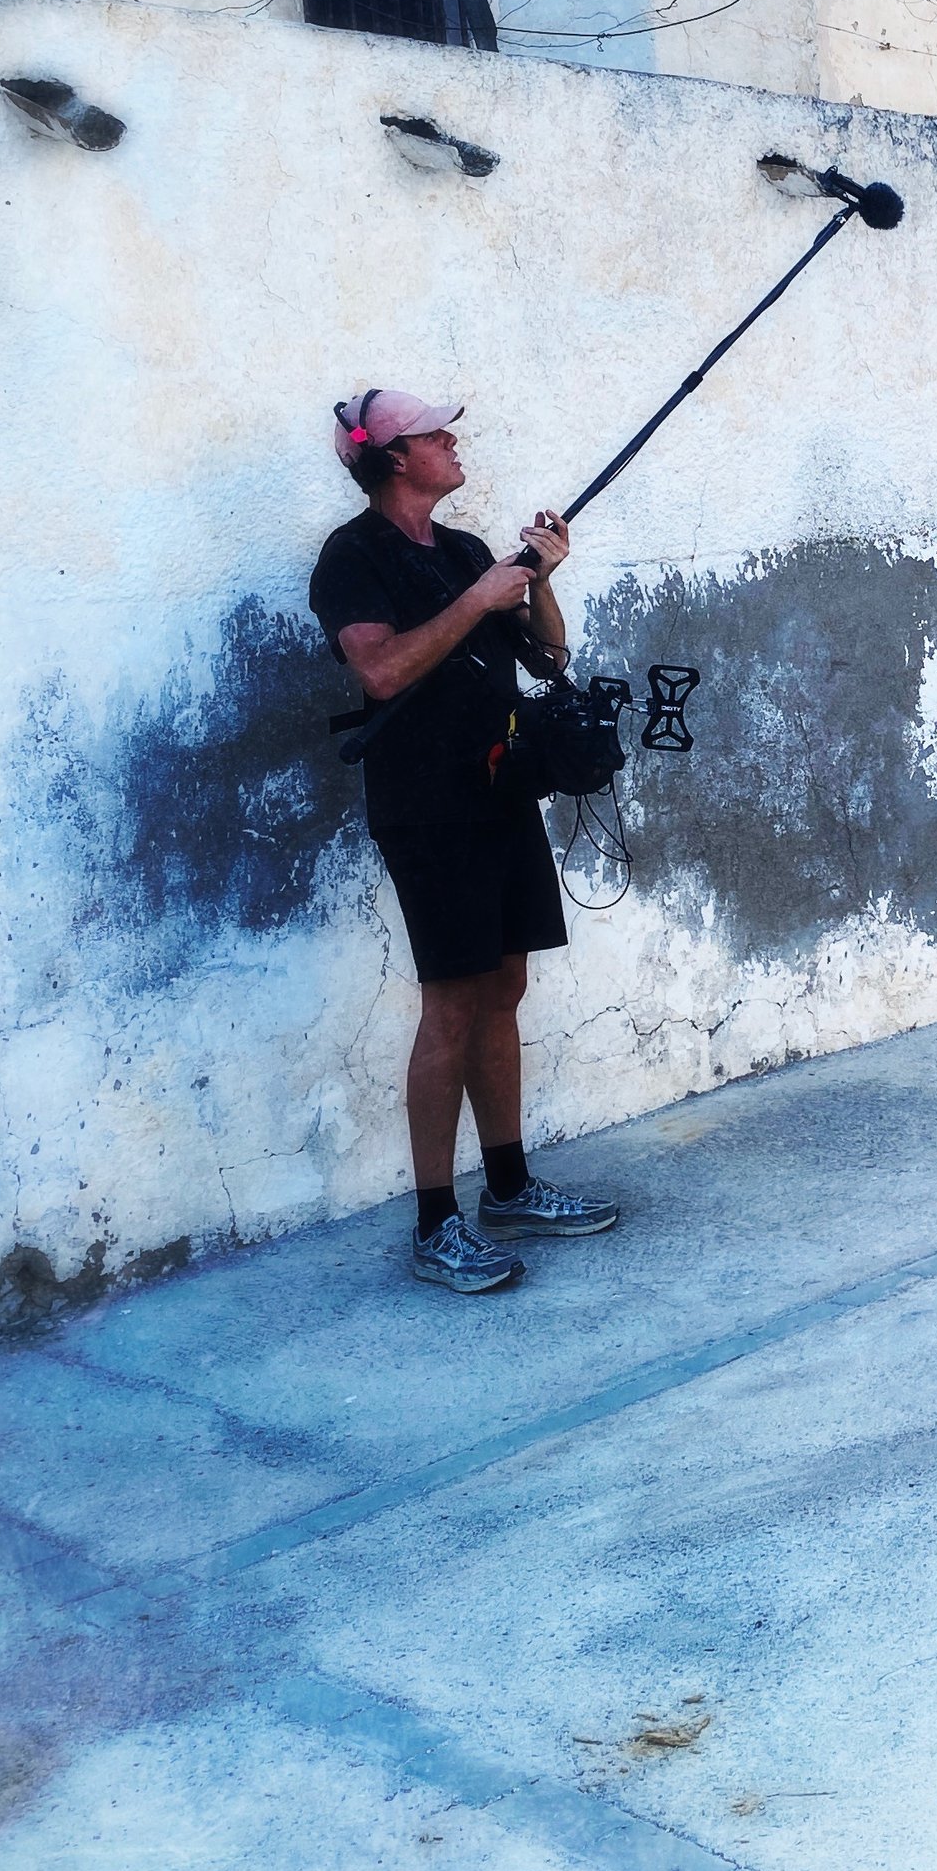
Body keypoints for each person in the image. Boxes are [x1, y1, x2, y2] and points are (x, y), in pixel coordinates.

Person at [310, 389, 619, 1295]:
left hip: (500, 787)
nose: (453, 442)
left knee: (506, 984)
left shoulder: (466, 550)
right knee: (451, 1000)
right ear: (394, 458)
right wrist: (476, 600)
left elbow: (548, 658)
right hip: (425, 804)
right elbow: (379, 667)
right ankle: (436, 1221)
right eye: (435, 434)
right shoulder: (351, 557)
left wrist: (541, 580)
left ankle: (511, 1187)